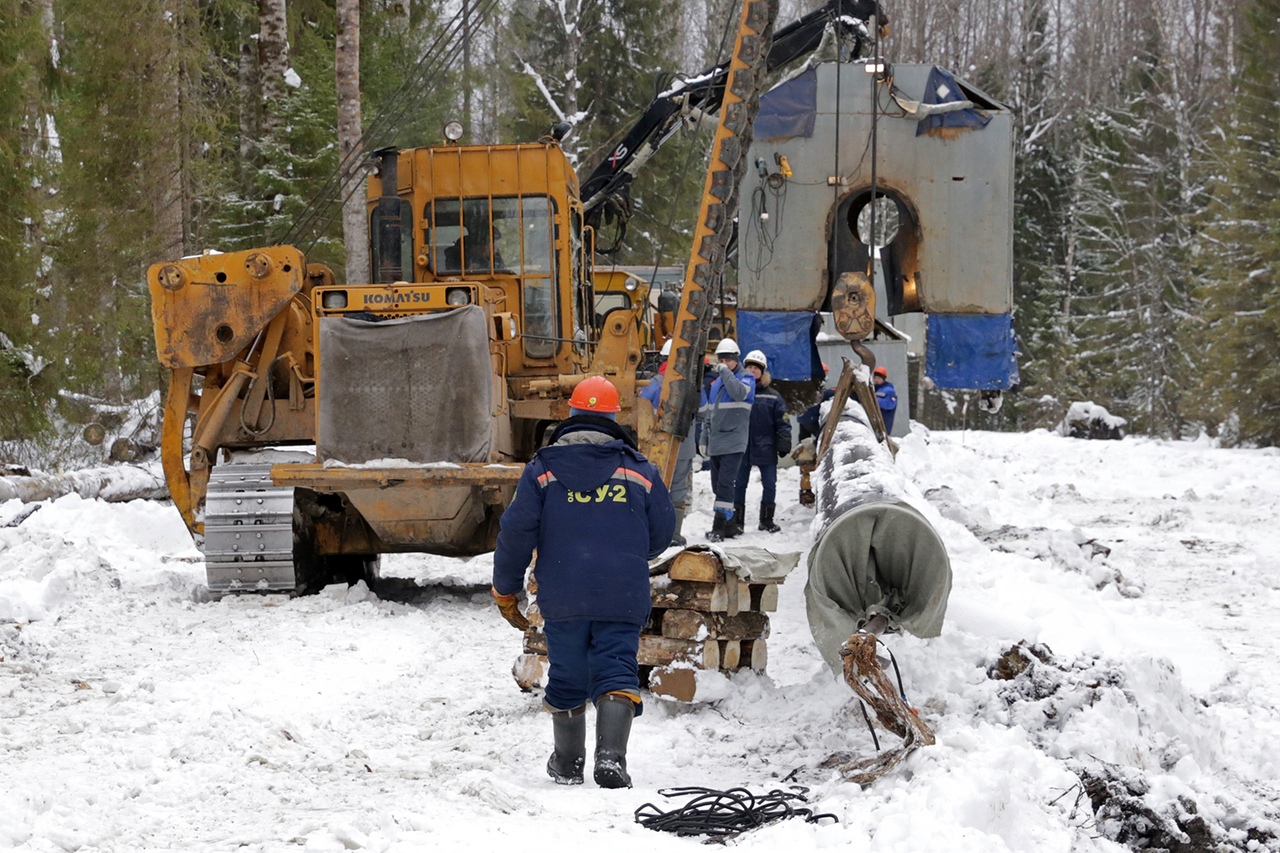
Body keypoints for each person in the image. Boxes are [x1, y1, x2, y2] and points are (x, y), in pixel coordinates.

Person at [491, 376, 675, 789]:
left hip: (564, 591)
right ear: (613, 417)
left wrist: (506, 588)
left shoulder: (542, 470)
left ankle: (569, 763)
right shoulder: (640, 470)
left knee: (568, 672)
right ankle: (610, 759)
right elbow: (662, 535)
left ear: (571, 415)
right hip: (622, 592)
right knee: (617, 670)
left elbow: (515, 533)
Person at [639, 339, 700, 546]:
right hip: (685, 444)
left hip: (657, 445)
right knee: (679, 487)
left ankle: (654, 534)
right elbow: (705, 410)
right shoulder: (692, 385)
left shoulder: (655, 383)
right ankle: (674, 534)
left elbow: (641, 409)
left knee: (654, 486)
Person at [699, 338, 755, 541]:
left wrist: (724, 372)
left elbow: (739, 393)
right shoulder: (716, 384)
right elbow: (710, 414)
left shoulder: (746, 378)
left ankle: (719, 527)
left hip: (734, 440)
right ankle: (730, 525)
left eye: (728, 359)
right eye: (721, 359)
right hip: (716, 442)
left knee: (724, 484)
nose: (724, 362)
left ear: (736, 359)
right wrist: (704, 437)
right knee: (718, 486)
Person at [732, 351, 791, 535]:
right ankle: (737, 521)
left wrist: (784, 442)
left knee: (769, 484)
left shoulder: (773, 397)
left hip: (766, 447)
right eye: (749, 367)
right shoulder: (737, 394)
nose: (752, 370)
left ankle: (766, 521)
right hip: (742, 448)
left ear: (762, 372)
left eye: (756, 368)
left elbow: (783, 422)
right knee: (739, 485)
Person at [794, 363, 834, 506]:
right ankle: (808, 490)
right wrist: (836, 392)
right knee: (819, 447)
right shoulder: (813, 385)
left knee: (805, 449)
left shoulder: (805, 384)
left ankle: (806, 492)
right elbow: (821, 396)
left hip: (804, 420)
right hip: (810, 420)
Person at [873, 366, 898, 433]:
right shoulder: (874, 389)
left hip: (884, 423)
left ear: (883, 379)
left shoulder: (889, 390)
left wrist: (873, 400)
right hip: (874, 422)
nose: (876, 380)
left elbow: (890, 404)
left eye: (879, 378)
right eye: (875, 378)